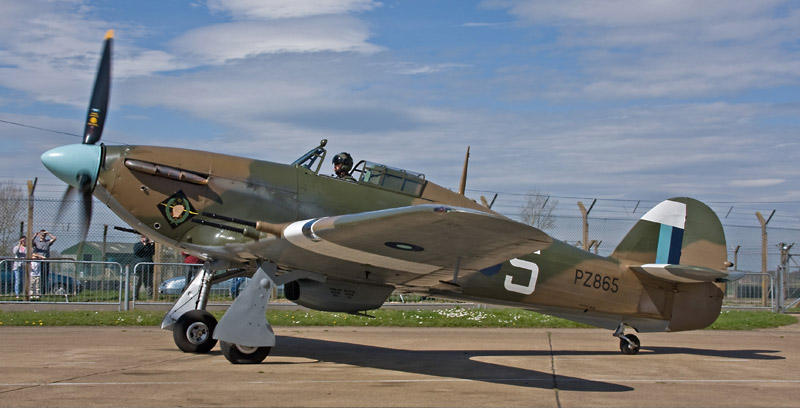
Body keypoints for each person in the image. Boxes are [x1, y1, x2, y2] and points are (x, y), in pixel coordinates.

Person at [32, 229, 56, 293]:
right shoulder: (36, 242)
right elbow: (30, 242)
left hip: (46, 261)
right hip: (38, 261)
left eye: (44, 235)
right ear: (39, 235)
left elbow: (54, 238)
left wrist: (48, 233)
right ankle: (36, 291)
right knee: (38, 277)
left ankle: (44, 291)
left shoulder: (47, 242)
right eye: (42, 234)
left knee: (45, 276)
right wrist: (35, 235)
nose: (43, 236)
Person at [133, 235, 155, 300]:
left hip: (148, 267)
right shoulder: (137, 245)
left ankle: (149, 297)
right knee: (137, 283)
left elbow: (153, 252)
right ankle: (135, 296)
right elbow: (136, 251)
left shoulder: (150, 246)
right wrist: (144, 244)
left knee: (149, 284)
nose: (144, 238)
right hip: (139, 268)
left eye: (145, 237)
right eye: (143, 237)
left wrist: (152, 244)